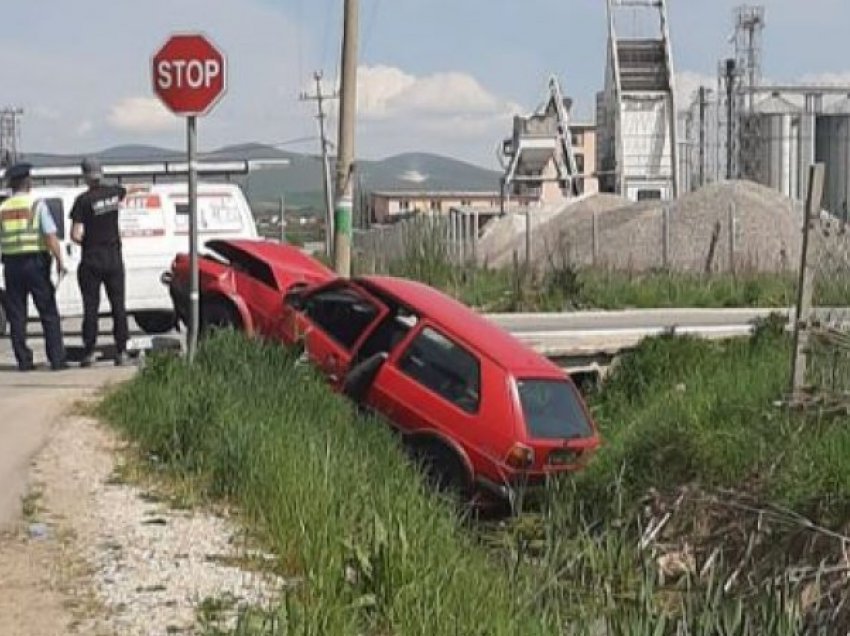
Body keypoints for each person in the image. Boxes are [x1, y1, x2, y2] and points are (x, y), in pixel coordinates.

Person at [0, 163, 68, 371]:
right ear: (28, 182)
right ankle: (56, 359)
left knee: (17, 315)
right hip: (36, 264)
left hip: (11, 264)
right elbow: (49, 235)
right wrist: (59, 260)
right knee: (48, 311)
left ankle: (23, 360)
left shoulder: (3, 208)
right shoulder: (36, 204)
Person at [70, 158, 129, 367]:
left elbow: (75, 234)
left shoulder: (82, 201)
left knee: (91, 307)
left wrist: (88, 241)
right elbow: (125, 192)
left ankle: (89, 352)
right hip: (113, 259)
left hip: (92, 260)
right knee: (119, 306)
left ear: (85, 176)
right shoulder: (115, 193)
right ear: (101, 173)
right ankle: (122, 351)